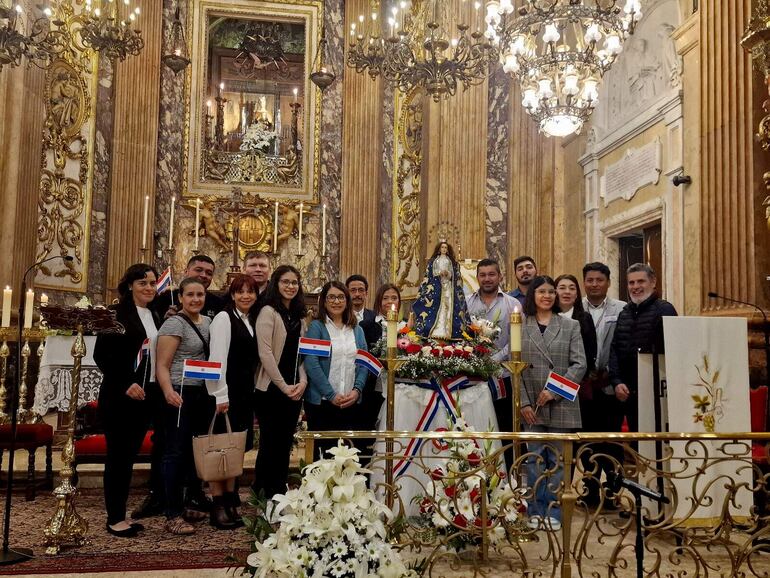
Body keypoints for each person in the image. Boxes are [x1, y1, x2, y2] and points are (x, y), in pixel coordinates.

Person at [93, 263, 162, 537]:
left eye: (152, 283)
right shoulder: (115, 314)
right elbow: (102, 356)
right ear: (130, 285)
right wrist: (126, 384)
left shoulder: (154, 314)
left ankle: (121, 513)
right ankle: (115, 518)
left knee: (129, 456)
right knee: (119, 458)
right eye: (143, 282)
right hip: (120, 397)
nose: (148, 287)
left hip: (145, 396)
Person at [520, 275, 586, 531]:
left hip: (561, 404)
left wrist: (554, 391)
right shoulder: (520, 325)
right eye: (541, 292)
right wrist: (523, 403)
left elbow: (579, 364)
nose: (547, 296)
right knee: (534, 461)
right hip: (532, 407)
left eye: (550, 292)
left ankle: (554, 512)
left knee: (558, 463)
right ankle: (535, 509)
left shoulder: (570, 326)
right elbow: (516, 369)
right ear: (532, 296)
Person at [156, 277, 214, 535]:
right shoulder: (174, 323)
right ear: (180, 297)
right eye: (190, 294)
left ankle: (186, 504)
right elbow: (162, 364)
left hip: (201, 392)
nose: (195, 299)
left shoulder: (209, 322)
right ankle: (172, 514)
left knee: (191, 453)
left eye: (200, 294)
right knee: (175, 452)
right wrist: (168, 391)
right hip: (179, 391)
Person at [206, 274, 259, 527]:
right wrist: (220, 395)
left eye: (251, 291)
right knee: (219, 450)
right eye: (240, 292)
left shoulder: (248, 320)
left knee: (234, 449)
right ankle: (218, 506)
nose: (246, 296)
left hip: (243, 395)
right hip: (225, 395)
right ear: (232, 294)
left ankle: (229, 500)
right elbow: (217, 360)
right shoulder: (224, 318)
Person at [253, 265, 308, 499]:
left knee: (286, 442)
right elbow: (265, 354)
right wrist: (283, 386)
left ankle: (279, 489)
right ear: (276, 284)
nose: (290, 286)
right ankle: (263, 492)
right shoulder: (268, 311)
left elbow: (302, 353)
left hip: (294, 387)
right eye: (286, 282)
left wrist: (303, 381)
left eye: (294, 282)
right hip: (271, 388)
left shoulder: (298, 315)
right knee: (270, 443)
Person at [608, 263, 677, 434]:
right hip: (629, 393)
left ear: (653, 282)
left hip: (657, 393)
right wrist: (616, 381)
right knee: (638, 443)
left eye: (641, 281)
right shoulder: (624, 313)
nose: (636, 287)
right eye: (631, 283)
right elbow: (615, 349)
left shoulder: (665, 309)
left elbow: (674, 349)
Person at [465, 258, 520, 467]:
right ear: (477, 277)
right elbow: (461, 335)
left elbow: (517, 339)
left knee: (504, 427)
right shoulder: (467, 303)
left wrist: (493, 359)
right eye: (483, 275)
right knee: (476, 426)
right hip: (473, 377)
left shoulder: (512, 304)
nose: (487, 279)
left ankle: (507, 476)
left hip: (502, 376)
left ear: (500, 276)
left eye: (491, 274)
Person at [304, 281, 368, 458]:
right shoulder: (316, 327)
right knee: (322, 456)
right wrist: (331, 394)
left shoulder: (357, 330)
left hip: (350, 401)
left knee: (346, 457)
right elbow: (311, 362)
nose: (336, 301)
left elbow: (364, 363)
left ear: (347, 301)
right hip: (322, 403)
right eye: (331, 297)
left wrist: (357, 390)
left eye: (340, 297)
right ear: (323, 301)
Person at [580, 262, 626, 506]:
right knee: (587, 440)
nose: (594, 284)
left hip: (610, 385)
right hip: (585, 387)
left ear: (608, 282)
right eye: (590, 280)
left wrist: (613, 375)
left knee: (611, 439)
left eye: (599, 280)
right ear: (584, 282)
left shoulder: (622, 309)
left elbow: (623, 346)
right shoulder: (575, 310)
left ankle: (612, 490)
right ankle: (590, 489)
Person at [358, 283, 403, 444]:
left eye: (393, 298)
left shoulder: (406, 327)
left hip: (399, 388)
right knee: (369, 430)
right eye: (385, 298)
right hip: (373, 386)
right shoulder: (367, 325)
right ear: (378, 300)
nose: (389, 301)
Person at [412, 240, 468, 339]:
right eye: (442, 247)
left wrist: (448, 274)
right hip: (437, 286)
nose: (444, 249)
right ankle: (436, 329)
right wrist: (439, 273)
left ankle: (447, 330)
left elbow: (453, 274)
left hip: (448, 287)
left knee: (448, 306)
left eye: (445, 248)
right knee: (438, 306)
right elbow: (431, 273)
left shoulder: (450, 261)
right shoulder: (435, 261)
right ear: (439, 249)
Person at [153, 255, 225, 320]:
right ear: (186, 271)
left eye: (209, 273)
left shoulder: (218, 303)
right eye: (199, 270)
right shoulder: (167, 297)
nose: (203, 275)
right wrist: (165, 320)